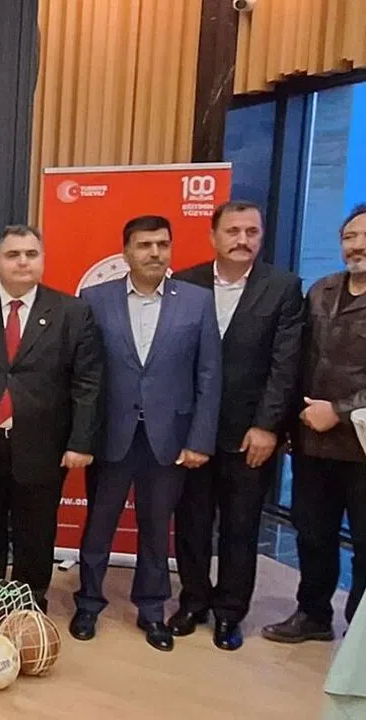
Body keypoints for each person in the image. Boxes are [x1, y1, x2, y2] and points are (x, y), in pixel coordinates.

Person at [71, 215, 221, 652]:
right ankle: (88, 604)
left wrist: (200, 439)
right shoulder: (95, 299)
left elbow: (209, 375)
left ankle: (152, 611)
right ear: (126, 253)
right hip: (111, 434)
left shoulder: (197, 302)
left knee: (156, 529)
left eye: (162, 244)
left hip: (169, 437)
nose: (155, 252)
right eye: (144, 245)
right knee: (98, 526)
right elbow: (84, 372)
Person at [170, 201, 304, 650]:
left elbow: (285, 365)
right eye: (233, 231)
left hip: (250, 433)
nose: (243, 239)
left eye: (252, 231)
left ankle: (230, 612)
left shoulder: (283, 288)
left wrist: (268, 426)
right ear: (213, 236)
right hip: (192, 430)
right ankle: (193, 601)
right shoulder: (184, 282)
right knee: (191, 523)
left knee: (241, 526)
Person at [0, 225, 102, 611]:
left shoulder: (72, 312)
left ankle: (29, 605)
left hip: (43, 444)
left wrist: (81, 441)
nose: (22, 262)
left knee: (35, 531)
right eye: (13, 255)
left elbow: (87, 383)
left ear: (42, 259)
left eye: (31, 254)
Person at [263, 204, 366, 644]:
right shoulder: (322, 290)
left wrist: (338, 412)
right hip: (312, 444)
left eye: (365, 236)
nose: (356, 246)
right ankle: (313, 615)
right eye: (349, 237)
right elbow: (296, 361)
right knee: (313, 534)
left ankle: (360, 633)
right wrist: (287, 425)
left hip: (361, 445)